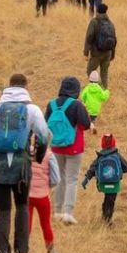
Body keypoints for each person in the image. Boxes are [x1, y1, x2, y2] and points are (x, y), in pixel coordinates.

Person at [0, 73, 51, 253]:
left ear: (8, 87)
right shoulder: (32, 109)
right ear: (26, 86)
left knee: (3, 212)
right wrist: (37, 157)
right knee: (22, 206)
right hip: (21, 165)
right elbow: (44, 136)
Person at [45, 76, 96, 225]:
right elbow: (86, 124)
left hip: (56, 147)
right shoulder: (77, 105)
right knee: (72, 179)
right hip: (74, 147)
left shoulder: (51, 104)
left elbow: (45, 123)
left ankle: (57, 211)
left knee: (59, 178)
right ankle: (68, 212)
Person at [81, 133, 127, 227]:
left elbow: (92, 169)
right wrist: (119, 171)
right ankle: (108, 220)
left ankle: (104, 217)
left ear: (102, 143)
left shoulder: (100, 156)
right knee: (111, 201)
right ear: (113, 143)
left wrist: (86, 179)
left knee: (106, 198)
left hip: (103, 183)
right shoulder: (117, 155)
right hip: (115, 183)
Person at [28, 140, 61, 253]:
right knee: (45, 223)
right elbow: (56, 178)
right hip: (43, 196)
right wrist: (49, 185)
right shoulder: (49, 155)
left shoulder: (28, 151)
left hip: (28, 195)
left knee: (26, 224)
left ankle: (22, 252)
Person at [83, 3, 117, 89]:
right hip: (108, 53)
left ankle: (96, 90)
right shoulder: (110, 23)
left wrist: (86, 52)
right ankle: (104, 92)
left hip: (96, 53)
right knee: (104, 74)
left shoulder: (94, 22)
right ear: (106, 11)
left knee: (90, 71)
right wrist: (112, 54)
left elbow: (89, 37)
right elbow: (114, 39)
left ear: (97, 11)